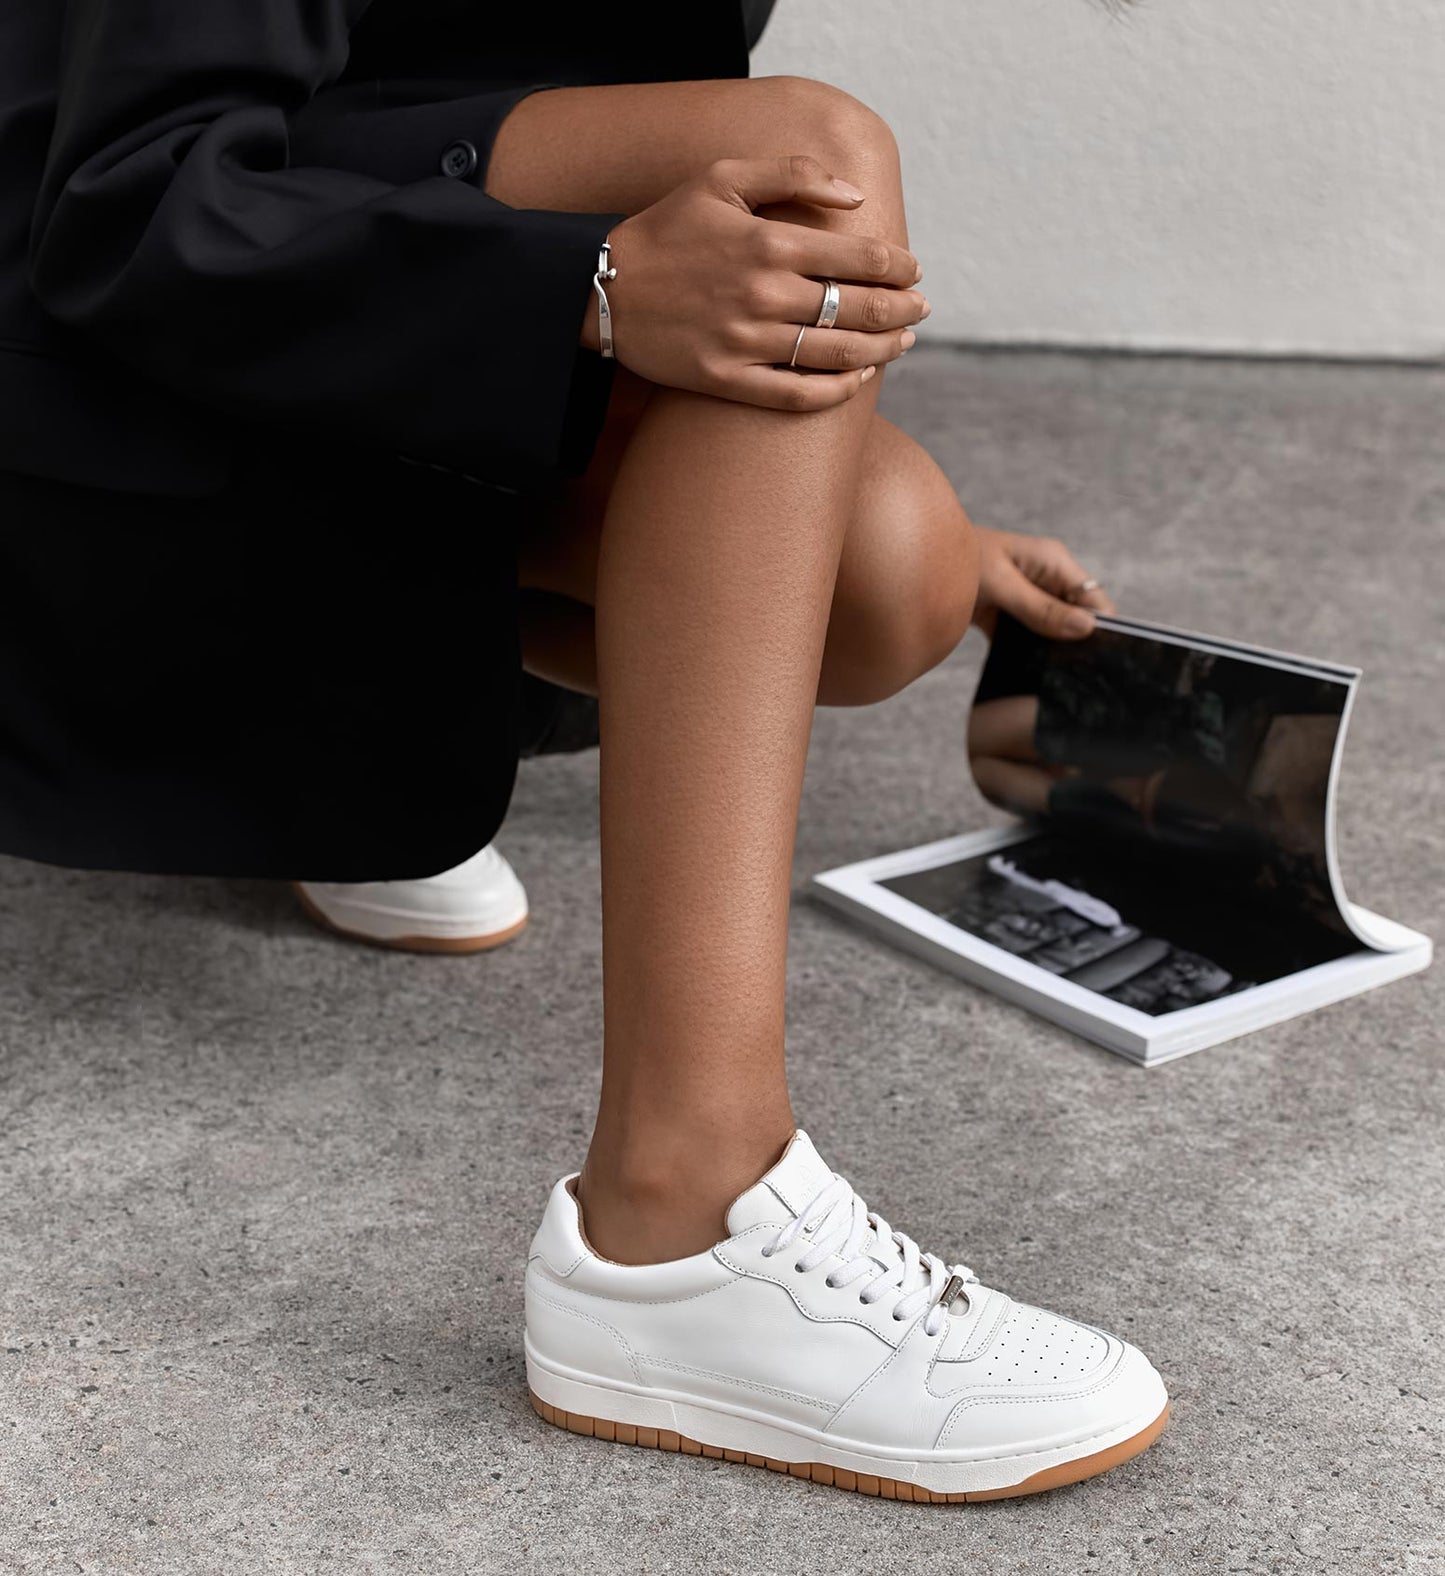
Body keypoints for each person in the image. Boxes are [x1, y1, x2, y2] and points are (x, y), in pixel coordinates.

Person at [0, 0, 1167, 1501]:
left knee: (891, 575)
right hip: (90, 311)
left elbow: (557, 90)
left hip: (351, 307)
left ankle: (315, 750)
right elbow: (119, 198)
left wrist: (743, 434)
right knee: (805, 158)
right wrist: (591, 288)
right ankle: (683, 1216)